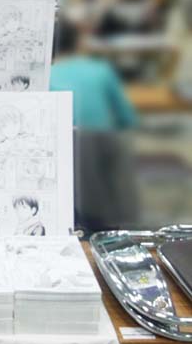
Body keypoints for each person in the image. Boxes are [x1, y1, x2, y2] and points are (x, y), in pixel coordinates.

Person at [50, 18, 140, 232]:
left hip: (61, 156)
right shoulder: (101, 70)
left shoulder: (43, 75)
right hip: (102, 154)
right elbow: (127, 118)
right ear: (78, 42)